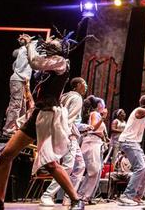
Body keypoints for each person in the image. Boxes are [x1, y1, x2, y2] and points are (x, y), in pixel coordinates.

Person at [0, 33, 86, 210]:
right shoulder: (48, 67)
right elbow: (35, 65)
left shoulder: (61, 62)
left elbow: (34, 61)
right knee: (6, 155)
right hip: (37, 115)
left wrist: (29, 44)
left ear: (60, 48)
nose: (49, 41)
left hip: (48, 117)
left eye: (54, 41)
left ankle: (76, 198)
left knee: (49, 163)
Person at [40, 77, 88, 206]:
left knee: (80, 165)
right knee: (67, 166)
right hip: (68, 134)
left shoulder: (64, 96)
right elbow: (70, 118)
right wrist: (66, 135)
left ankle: (69, 197)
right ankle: (48, 195)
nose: (86, 87)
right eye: (84, 84)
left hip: (66, 132)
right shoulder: (77, 98)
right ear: (77, 85)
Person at [1, 35, 33, 137]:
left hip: (22, 80)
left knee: (22, 106)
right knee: (16, 105)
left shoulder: (24, 50)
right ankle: (9, 129)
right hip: (18, 79)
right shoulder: (25, 50)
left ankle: (18, 128)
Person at [77, 96, 107, 204]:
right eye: (102, 104)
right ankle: (82, 195)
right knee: (94, 170)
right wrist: (103, 119)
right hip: (91, 142)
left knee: (96, 171)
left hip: (96, 142)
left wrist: (104, 136)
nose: (104, 106)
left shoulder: (97, 115)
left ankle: (86, 196)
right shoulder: (95, 114)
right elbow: (93, 127)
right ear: (99, 105)